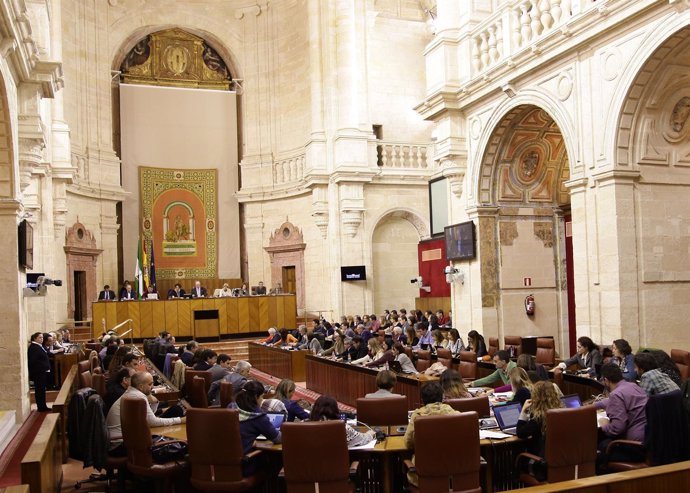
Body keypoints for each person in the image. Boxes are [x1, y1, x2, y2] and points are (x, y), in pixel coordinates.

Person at [106, 371, 185, 455]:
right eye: (150, 384)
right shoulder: (138, 396)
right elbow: (153, 422)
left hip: (122, 440)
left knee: (175, 410)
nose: (153, 386)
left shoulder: (132, 392)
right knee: (182, 448)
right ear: (140, 386)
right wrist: (181, 420)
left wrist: (154, 401)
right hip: (120, 444)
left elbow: (149, 417)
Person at [404, 382, 460, 487]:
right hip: (454, 474)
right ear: (442, 397)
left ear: (422, 399)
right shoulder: (455, 414)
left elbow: (408, 443)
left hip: (424, 475)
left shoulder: (417, 416)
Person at [594, 363, 648, 467]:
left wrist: (604, 425)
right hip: (648, 441)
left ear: (606, 380)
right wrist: (594, 406)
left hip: (634, 448)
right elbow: (612, 400)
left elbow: (617, 428)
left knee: (597, 449)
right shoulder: (632, 385)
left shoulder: (616, 394)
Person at [516, 380, 564, 480]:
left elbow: (520, 433)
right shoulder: (563, 413)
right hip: (562, 461)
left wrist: (523, 411)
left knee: (517, 460)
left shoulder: (539, 418)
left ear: (536, 397)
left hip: (541, 465)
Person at [234, 380, 281, 474]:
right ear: (256, 397)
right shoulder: (258, 416)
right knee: (274, 460)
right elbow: (278, 439)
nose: (262, 400)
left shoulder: (231, 407)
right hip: (245, 465)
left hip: (225, 465)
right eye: (262, 396)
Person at [310, 395, 375, 447]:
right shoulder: (342, 427)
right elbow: (362, 439)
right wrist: (370, 433)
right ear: (335, 410)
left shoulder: (304, 426)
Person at [28, 332, 51, 412]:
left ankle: (43, 406)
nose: (41, 339)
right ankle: (41, 407)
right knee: (40, 390)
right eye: (39, 338)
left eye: (42, 338)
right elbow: (33, 361)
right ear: (35, 338)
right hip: (39, 372)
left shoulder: (38, 346)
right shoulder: (34, 347)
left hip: (42, 372)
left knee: (42, 390)